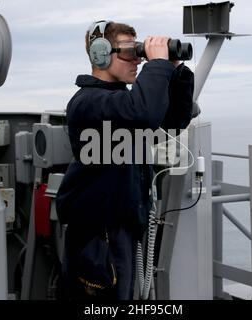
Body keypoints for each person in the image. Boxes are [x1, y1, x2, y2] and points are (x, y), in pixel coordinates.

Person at [56, 20, 194, 300]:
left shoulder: (121, 103)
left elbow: (173, 121)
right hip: (96, 235)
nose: (138, 60)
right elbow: (142, 113)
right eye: (130, 52)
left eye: (140, 53)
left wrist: (176, 70)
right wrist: (158, 66)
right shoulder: (88, 102)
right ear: (100, 54)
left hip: (122, 230)